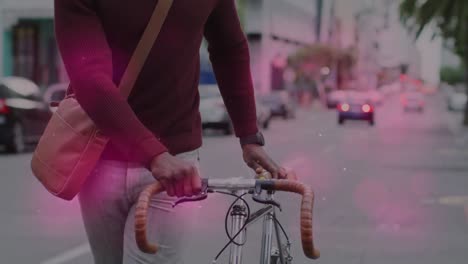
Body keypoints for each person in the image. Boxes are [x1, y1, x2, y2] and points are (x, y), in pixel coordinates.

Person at [54, 0, 288, 263]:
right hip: (101, 159)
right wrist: (152, 154)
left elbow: (229, 48)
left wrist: (249, 136)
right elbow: (88, 77)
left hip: (176, 165)